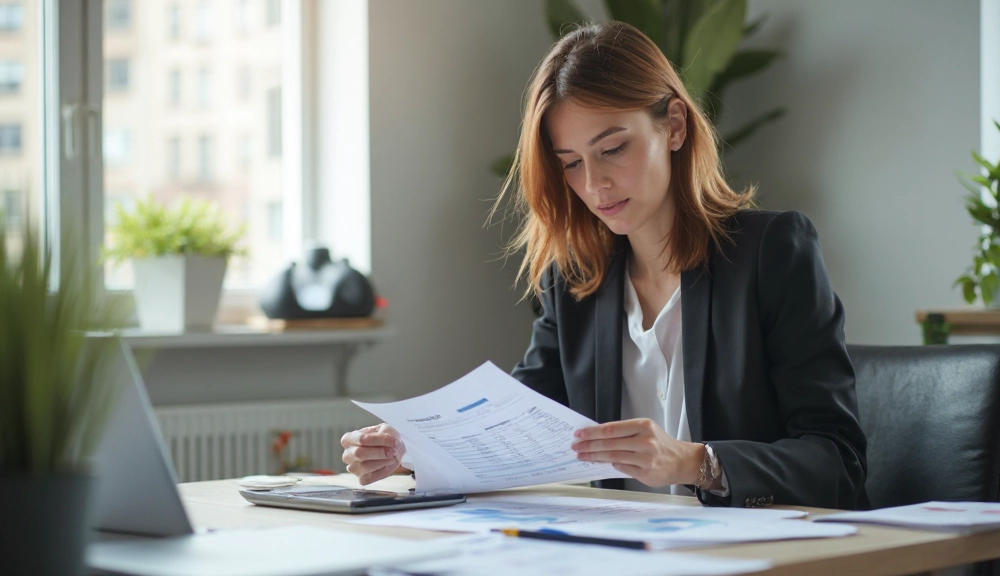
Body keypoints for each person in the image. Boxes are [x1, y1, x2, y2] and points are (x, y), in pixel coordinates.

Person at [341, 21, 869, 510]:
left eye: (612, 149)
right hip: (626, 551)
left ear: (675, 125)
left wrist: (696, 463)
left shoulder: (772, 252)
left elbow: (838, 463)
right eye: (571, 163)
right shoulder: (574, 282)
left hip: (763, 553)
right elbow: (508, 432)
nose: (594, 185)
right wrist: (412, 451)